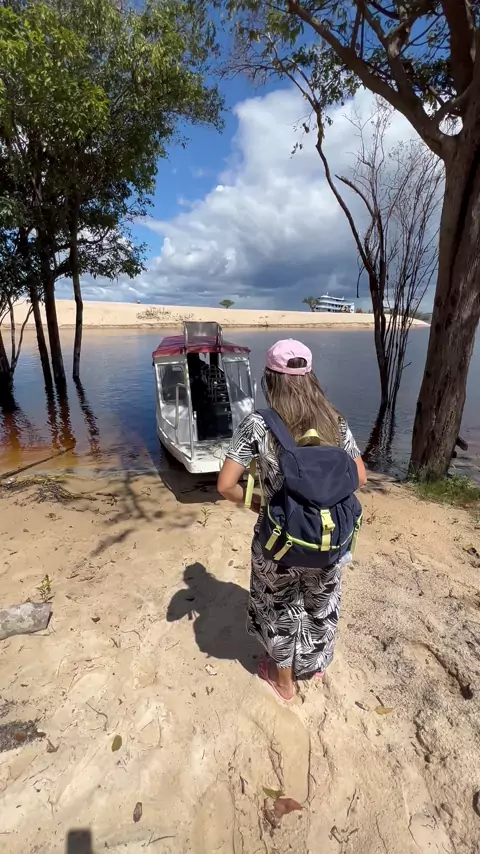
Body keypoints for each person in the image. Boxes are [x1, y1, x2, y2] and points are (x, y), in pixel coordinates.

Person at [217, 339, 367, 702]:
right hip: (327, 535)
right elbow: (360, 477)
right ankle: (314, 666)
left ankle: (283, 682)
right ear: (310, 376)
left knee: (279, 606)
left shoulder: (258, 424)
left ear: (269, 378)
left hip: (279, 540)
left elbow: (225, 485)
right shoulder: (335, 420)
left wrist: (260, 504)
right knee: (320, 602)